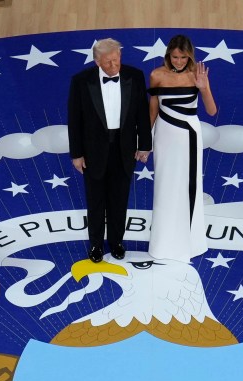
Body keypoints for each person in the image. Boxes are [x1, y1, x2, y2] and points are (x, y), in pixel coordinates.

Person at [68, 38, 152, 263]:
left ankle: (116, 242)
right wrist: (76, 154)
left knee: (119, 200)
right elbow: (74, 121)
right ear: (97, 61)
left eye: (116, 60)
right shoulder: (81, 81)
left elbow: (142, 115)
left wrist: (144, 145)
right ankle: (95, 245)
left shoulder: (134, 76)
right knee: (95, 202)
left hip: (124, 150)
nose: (114, 66)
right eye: (108, 62)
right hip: (93, 151)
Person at [147, 35, 217, 263]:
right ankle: (163, 243)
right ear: (168, 55)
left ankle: (190, 242)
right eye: (174, 57)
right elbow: (152, 112)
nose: (178, 61)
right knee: (164, 186)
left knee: (188, 186)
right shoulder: (157, 75)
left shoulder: (196, 75)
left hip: (189, 137)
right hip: (164, 137)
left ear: (190, 56)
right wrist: (144, 144)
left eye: (183, 57)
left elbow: (212, 110)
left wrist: (203, 88)